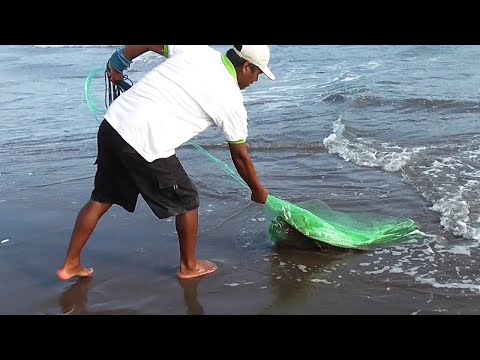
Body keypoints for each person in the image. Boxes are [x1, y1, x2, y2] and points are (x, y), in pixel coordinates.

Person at [57, 45, 275, 281]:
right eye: (258, 74)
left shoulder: (199, 51)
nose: (256, 80)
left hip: (113, 124)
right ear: (246, 67)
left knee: (102, 197)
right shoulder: (232, 101)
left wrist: (118, 62)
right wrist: (257, 190)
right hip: (143, 141)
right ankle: (189, 267)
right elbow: (240, 156)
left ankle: (70, 264)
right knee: (188, 200)